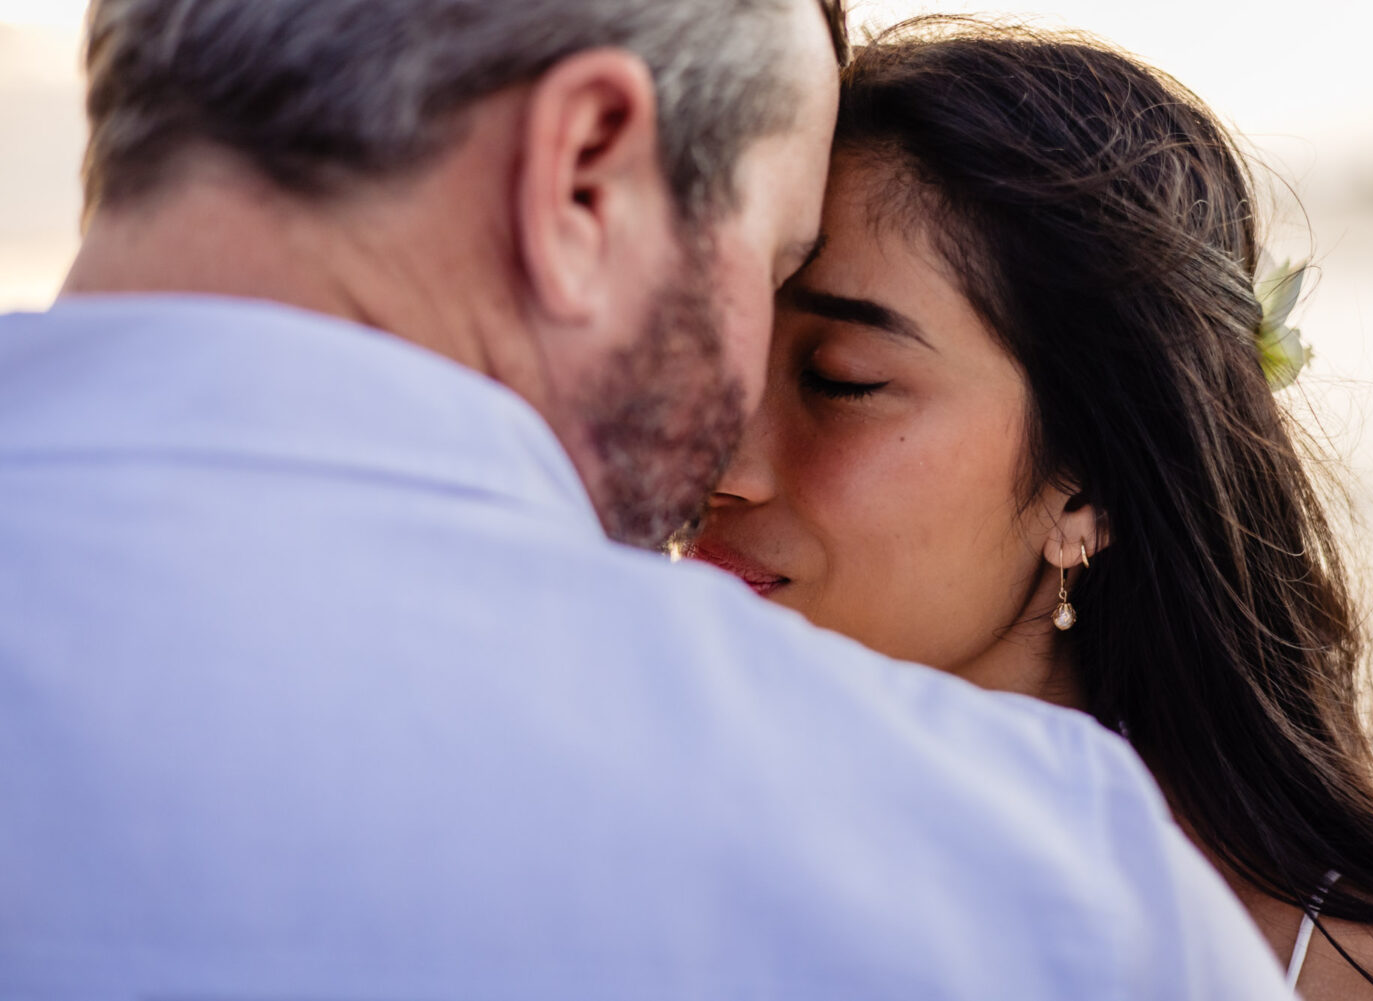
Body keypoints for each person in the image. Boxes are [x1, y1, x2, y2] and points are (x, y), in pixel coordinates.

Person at [0, 1, 1294, 998]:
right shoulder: (1030, 898)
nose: (738, 437)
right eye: (767, 257)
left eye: (839, 370)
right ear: (581, 174)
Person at [691, 18, 1373, 1001]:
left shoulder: (1364, 980)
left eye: (841, 377)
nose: (714, 456)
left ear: (1089, 482)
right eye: (711, 352)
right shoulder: (632, 852)